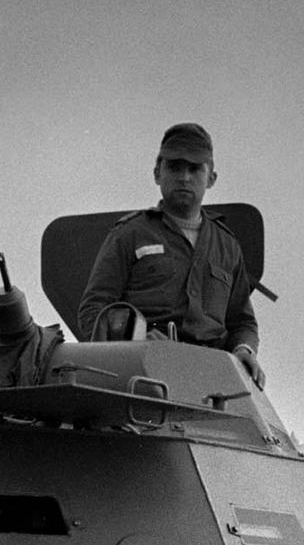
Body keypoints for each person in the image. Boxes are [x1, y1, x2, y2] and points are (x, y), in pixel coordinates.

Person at [77, 123, 262, 386]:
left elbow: (242, 322)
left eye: (194, 168)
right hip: (141, 375)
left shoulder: (227, 245)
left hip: (211, 382)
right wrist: (136, 340)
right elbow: (93, 310)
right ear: (157, 173)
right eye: (174, 167)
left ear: (211, 178)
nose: (184, 177)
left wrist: (244, 350)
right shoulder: (131, 233)